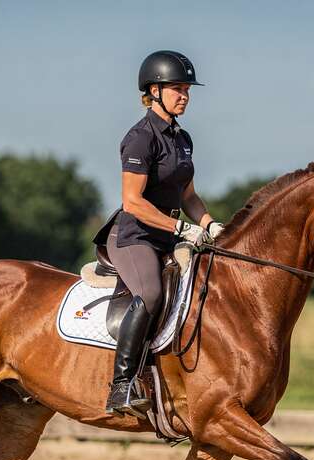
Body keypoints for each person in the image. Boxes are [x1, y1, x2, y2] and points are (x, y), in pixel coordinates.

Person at [105, 50, 225, 415]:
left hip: (170, 236)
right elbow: (132, 202)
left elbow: (188, 194)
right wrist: (181, 228)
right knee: (152, 293)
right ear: (153, 90)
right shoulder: (141, 138)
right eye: (177, 88)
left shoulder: (182, 138)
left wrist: (209, 224)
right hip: (135, 237)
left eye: (187, 89)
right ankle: (122, 385)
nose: (184, 95)